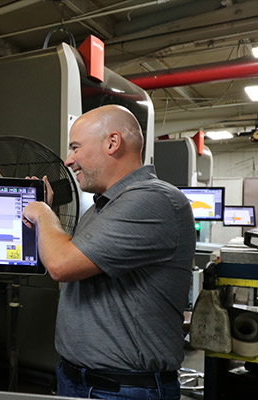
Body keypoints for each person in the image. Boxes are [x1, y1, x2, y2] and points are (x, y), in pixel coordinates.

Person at [23, 105, 195, 400]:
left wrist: (42, 214)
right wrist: (46, 213)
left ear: (112, 143)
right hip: (78, 379)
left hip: (122, 389)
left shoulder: (154, 200)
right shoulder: (103, 208)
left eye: (75, 147)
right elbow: (71, 269)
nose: (69, 160)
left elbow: (62, 265)